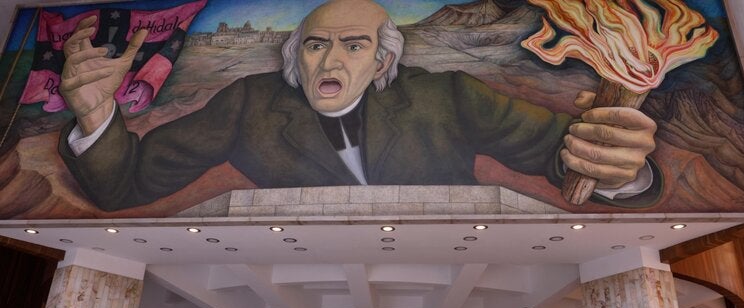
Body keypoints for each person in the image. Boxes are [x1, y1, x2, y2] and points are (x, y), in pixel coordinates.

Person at [57, 0, 659, 212]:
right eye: (315, 46)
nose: (330, 62)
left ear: (382, 62)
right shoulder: (249, 104)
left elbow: (565, 150)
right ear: (297, 58)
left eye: (353, 45)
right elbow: (125, 186)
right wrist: (92, 115)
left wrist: (617, 166)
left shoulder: (446, 94)